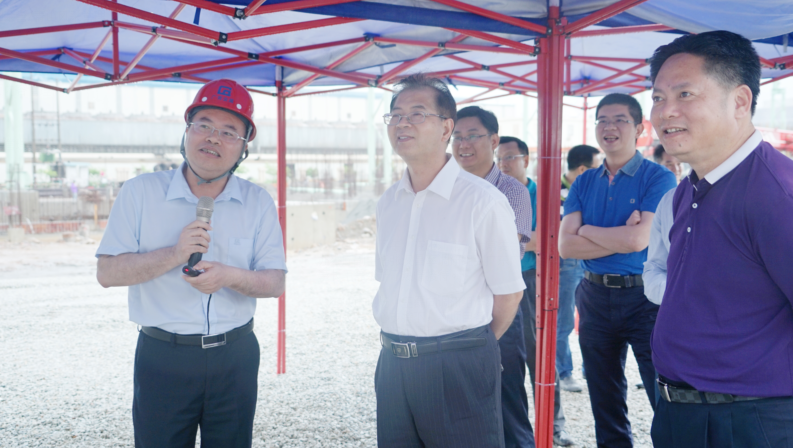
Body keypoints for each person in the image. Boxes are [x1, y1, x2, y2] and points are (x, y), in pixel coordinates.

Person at [95, 79, 287, 447]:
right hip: (162, 356)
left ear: (244, 148)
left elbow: (275, 282)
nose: (213, 138)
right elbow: (107, 273)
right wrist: (175, 253)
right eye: (204, 125)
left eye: (229, 132)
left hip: (235, 356)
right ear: (186, 132)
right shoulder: (140, 192)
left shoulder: (258, 202)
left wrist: (229, 276)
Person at [649, 30, 793, 447]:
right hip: (681, 411)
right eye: (658, 97)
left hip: (749, 420)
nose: (665, 111)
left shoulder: (775, 194)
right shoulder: (688, 189)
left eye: (685, 94)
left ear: (740, 101)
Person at [373, 74, 525, 448]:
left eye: (416, 113)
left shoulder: (483, 201)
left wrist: (467, 351)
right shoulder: (389, 202)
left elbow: (508, 294)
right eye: (396, 115)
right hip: (392, 364)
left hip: (457, 364)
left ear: (446, 128)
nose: (402, 123)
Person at [558, 93, 676, 448]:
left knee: (663, 390)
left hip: (645, 298)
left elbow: (638, 240)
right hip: (593, 295)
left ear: (639, 128)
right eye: (603, 120)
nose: (609, 127)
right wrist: (620, 237)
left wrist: (586, 230)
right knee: (603, 394)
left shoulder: (658, 178)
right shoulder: (584, 181)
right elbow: (566, 247)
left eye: (620, 120)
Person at [452, 107, 534, 448]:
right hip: (455, 312)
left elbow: (503, 258)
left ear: (494, 140)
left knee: (507, 400)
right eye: (457, 137)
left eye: (473, 135)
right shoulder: (446, 187)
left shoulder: (511, 191)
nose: (463, 144)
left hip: (500, 307)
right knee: (460, 404)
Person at [496, 135, 576, 447]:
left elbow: (545, 238)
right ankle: (513, 431)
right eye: (499, 158)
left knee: (539, 353)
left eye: (510, 157)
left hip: (532, 279)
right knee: (504, 358)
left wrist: (499, 239)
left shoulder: (542, 193)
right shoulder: (491, 191)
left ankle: (554, 426)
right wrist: (518, 237)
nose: (504, 164)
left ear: (526, 160)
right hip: (498, 281)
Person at [558, 144, 601, 391]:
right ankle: (564, 372)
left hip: (589, 260)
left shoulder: (593, 189)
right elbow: (566, 235)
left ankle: (590, 369)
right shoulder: (554, 191)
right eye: (598, 166)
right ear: (583, 169)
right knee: (563, 321)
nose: (603, 171)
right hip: (564, 263)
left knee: (590, 320)